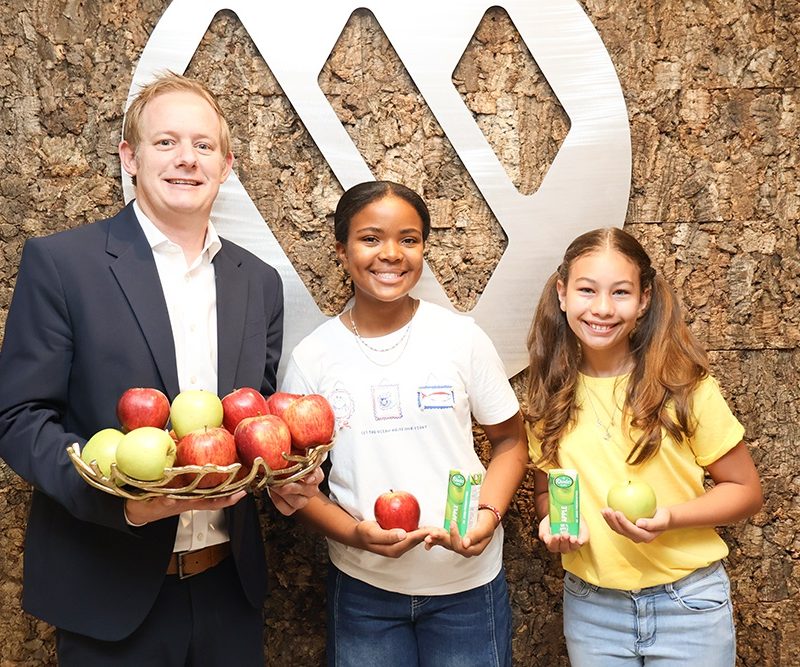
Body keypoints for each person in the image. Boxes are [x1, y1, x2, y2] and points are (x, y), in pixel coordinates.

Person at [0, 72, 322, 666]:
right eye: (166, 141)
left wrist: (283, 478)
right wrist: (119, 499)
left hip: (229, 590)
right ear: (130, 156)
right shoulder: (63, 265)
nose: (186, 160)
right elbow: (20, 419)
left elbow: (257, 416)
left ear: (226, 165)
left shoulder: (259, 283)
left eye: (203, 146)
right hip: (108, 591)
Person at [281, 180, 529, 667]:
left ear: (423, 248)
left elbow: (511, 442)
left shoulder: (460, 337)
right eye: (371, 238)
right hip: (364, 591)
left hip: (467, 587)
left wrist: (488, 516)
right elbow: (294, 488)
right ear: (342, 250)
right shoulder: (313, 357)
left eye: (409, 239)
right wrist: (354, 535)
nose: (391, 254)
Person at [525, 227, 763, 666]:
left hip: (688, 605)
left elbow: (746, 491)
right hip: (593, 609)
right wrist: (555, 523)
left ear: (644, 299)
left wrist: (670, 517)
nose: (601, 308)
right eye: (586, 290)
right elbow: (546, 491)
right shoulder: (549, 398)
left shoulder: (683, 387)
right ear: (562, 294)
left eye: (620, 292)